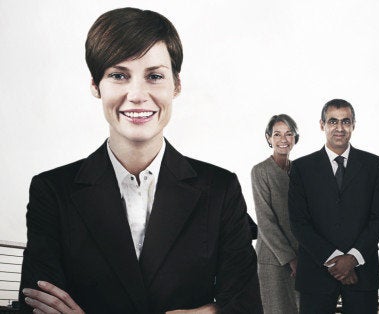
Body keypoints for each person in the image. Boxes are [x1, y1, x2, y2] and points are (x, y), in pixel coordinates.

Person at [18, 8, 262, 314]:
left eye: (154, 76)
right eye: (119, 75)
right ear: (96, 85)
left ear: (176, 85)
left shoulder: (220, 188)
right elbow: (36, 306)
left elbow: (246, 304)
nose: (137, 95)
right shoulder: (52, 191)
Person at [288, 99, 379, 314]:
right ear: (322, 125)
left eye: (346, 121)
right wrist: (336, 261)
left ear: (354, 125)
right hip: (316, 273)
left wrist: (352, 258)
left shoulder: (374, 165)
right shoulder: (301, 168)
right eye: (333, 121)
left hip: (362, 271)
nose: (340, 128)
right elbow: (299, 222)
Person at [251, 114, 300, 313]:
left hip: (301, 255)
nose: (283, 139)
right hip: (273, 259)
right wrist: (290, 259)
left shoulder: (300, 170)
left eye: (289, 134)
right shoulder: (260, 171)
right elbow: (265, 221)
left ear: (295, 138)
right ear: (268, 138)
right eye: (277, 134)